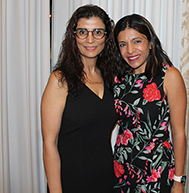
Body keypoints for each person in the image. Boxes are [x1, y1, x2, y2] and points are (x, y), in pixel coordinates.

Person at [41, 4, 117, 193]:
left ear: (106, 37)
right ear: (73, 36)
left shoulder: (110, 78)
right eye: (83, 32)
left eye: (98, 32)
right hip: (71, 182)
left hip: (106, 180)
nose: (90, 39)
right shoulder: (60, 79)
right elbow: (49, 144)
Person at [112, 14, 187, 193]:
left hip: (157, 169)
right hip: (122, 168)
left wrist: (179, 180)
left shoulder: (169, 76)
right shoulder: (117, 79)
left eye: (137, 41)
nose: (130, 50)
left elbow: (178, 132)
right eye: (123, 44)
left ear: (150, 42)